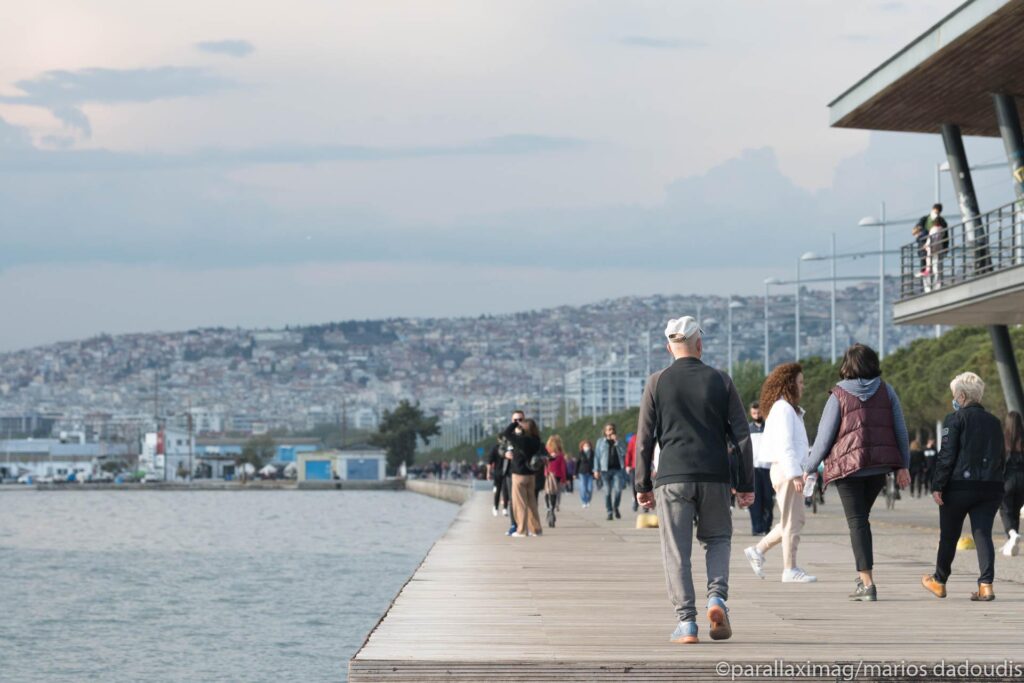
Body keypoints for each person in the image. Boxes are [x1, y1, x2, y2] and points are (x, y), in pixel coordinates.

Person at [634, 316, 754, 645]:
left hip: (672, 477)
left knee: (677, 550)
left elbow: (644, 440)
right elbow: (742, 437)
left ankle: (686, 623)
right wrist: (746, 485)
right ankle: (716, 599)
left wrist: (642, 485)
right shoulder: (721, 381)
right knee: (717, 539)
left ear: (668, 347)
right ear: (699, 345)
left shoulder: (656, 382)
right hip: (715, 475)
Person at [805, 343, 911, 602]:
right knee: (861, 520)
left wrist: (808, 467)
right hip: (877, 469)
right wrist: (903, 466)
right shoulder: (887, 391)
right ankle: (863, 576)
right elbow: (901, 431)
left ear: (847, 365)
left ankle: (867, 582)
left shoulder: (838, 394)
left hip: (848, 469)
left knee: (858, 522)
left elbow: (824, 437)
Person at [922, 373, 1006, 601]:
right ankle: (986, 584)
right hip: (990, 487)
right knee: (983, 535)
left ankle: (939, 581)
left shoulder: (955, 419)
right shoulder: (995, 422)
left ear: (961, 395)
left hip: (958, 487)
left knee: (949, 536)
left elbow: (947, 456)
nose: (954, 400)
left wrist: (937, 485)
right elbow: (1001, 457)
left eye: (954, 396)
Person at [744, 363, 816, 583]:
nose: (803, 387)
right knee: (792, 521)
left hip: (788, 470)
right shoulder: (783, 409)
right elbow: (785, 445)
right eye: (800, 382)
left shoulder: (787, 409)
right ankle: (789, 568)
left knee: (791, 520)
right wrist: (795, 474)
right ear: (789, 384)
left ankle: (758, 550)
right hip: (786, 471)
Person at [503, 417, 544, 538]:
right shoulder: (536, 440)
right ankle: (536, 529)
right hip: (531, 474)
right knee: (532, 503)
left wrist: (515, 423)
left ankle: (521, 530)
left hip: (519, 474)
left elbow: (506, 433)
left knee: (520, 504)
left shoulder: (521, 440)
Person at [999, 411, 1024, 557]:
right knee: (1015, 510)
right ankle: (1011, 542)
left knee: (1005, 510)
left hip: (1007, 479)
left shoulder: (1003, 439)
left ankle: (1012, 534)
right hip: (1022, 480)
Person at [746, 401, 772, 535]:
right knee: (755, 500)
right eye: (754, 413)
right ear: (751, 414)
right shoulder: (748, 429)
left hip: (768, 468)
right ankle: (757, 527)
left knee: (768, 499)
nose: (757, 415)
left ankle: (767, 526)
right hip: (753, 469)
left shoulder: (770, 428)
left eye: (759, 412)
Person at [595, 423, 628, 521]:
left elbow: (624, 452)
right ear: (605, 432)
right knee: (607, 492)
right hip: (605, 470)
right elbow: (597, 456)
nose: (611, 431)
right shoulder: (600, 442)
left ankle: (616, 507)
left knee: (618, 490)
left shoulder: (619, 441)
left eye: (612, 429)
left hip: (617, 469)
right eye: (608, 429)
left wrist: (617, 442)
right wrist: (596, 470)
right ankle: (609, 512)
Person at [543, 435, 568, 526]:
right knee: (554, 493)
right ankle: (552, 509)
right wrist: (564, 479)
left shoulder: (546, 452)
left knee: (547, 492)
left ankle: (548, 508)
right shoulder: (560, 454)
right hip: (557, 476)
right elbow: (563, 468)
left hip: (548, 475)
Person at [575, 440, 595, 508]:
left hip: (590, 473)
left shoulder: (593, 453)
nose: (587, 447)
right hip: (582, 472)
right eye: (585, 446)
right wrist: (575, 473)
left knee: (590, 488)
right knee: (583, 488)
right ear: (582, 447)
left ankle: (588, 500)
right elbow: (577, 463)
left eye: (588, 446)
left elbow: (595, 462)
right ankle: (584, 501)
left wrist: (596, 471)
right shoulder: (580, 453)